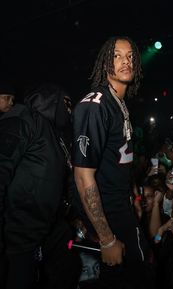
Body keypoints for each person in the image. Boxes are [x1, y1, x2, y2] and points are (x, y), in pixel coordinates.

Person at [72, 36, 154, 289]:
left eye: (130, 56)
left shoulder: (120, 103)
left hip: (122, 206)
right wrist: (107, 238)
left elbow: (119, 160)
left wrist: (133, 198)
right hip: (107, 215)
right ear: (105, 61)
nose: (125, 61)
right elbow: (83, 176)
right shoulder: (95, 105)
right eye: (117, 55)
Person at [0, 83, 81, 289]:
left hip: (49, 228)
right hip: (18, 233)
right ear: (51, 101)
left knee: (68, 268)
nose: (69, 111)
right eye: (66, 105)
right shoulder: (25, 119)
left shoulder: (60, 139)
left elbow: (70, 184)